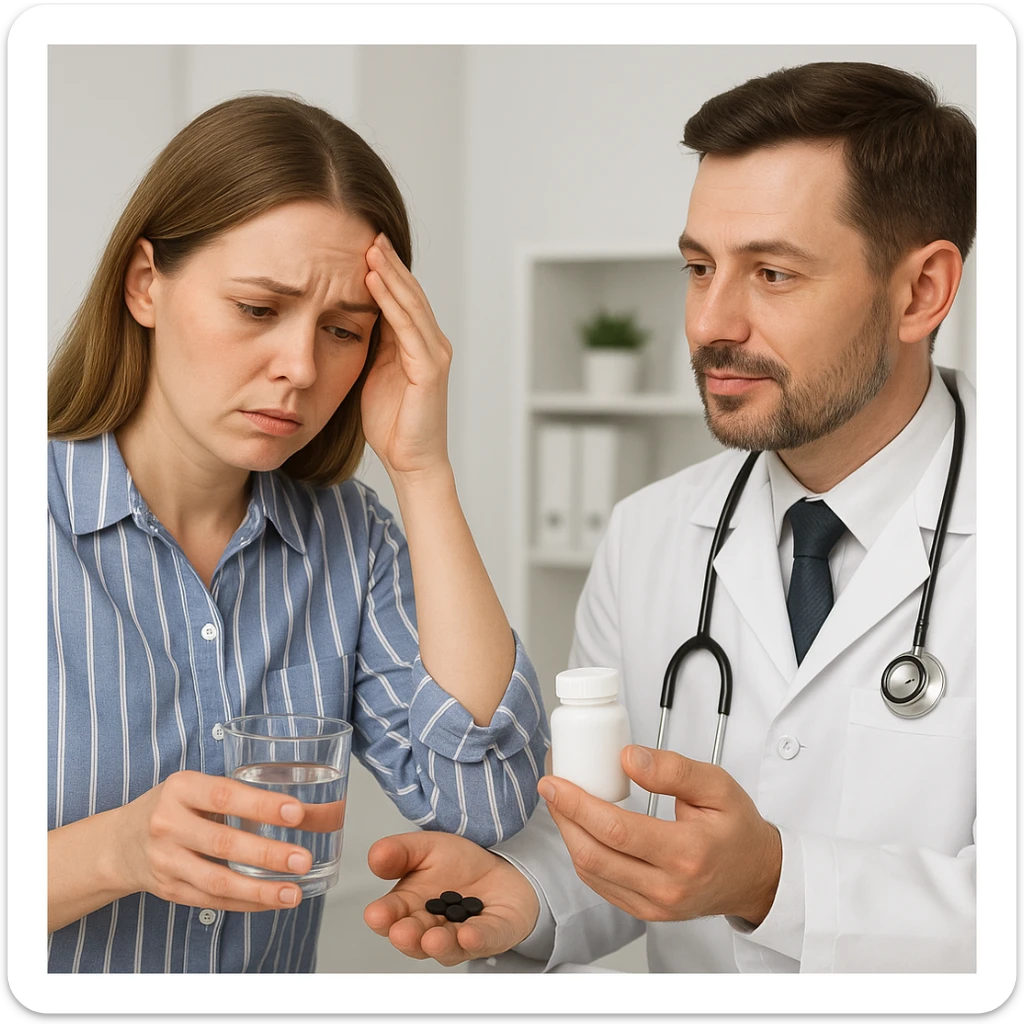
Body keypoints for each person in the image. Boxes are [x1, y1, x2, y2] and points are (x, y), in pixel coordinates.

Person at [362, 62, 977, 974]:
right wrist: (522, 890)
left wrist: (774, 882)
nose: (710, 322)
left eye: (772, 272)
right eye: (699, 268)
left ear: (921, 292)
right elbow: (624, 840)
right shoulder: (651, 535)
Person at [46, 94, 549, 974]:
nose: (302, 368)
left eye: (344, 330)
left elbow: (486, 800)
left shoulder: (350, 542)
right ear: (144, 284)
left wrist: (421, 471)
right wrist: (114, 853)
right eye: (255, 309)